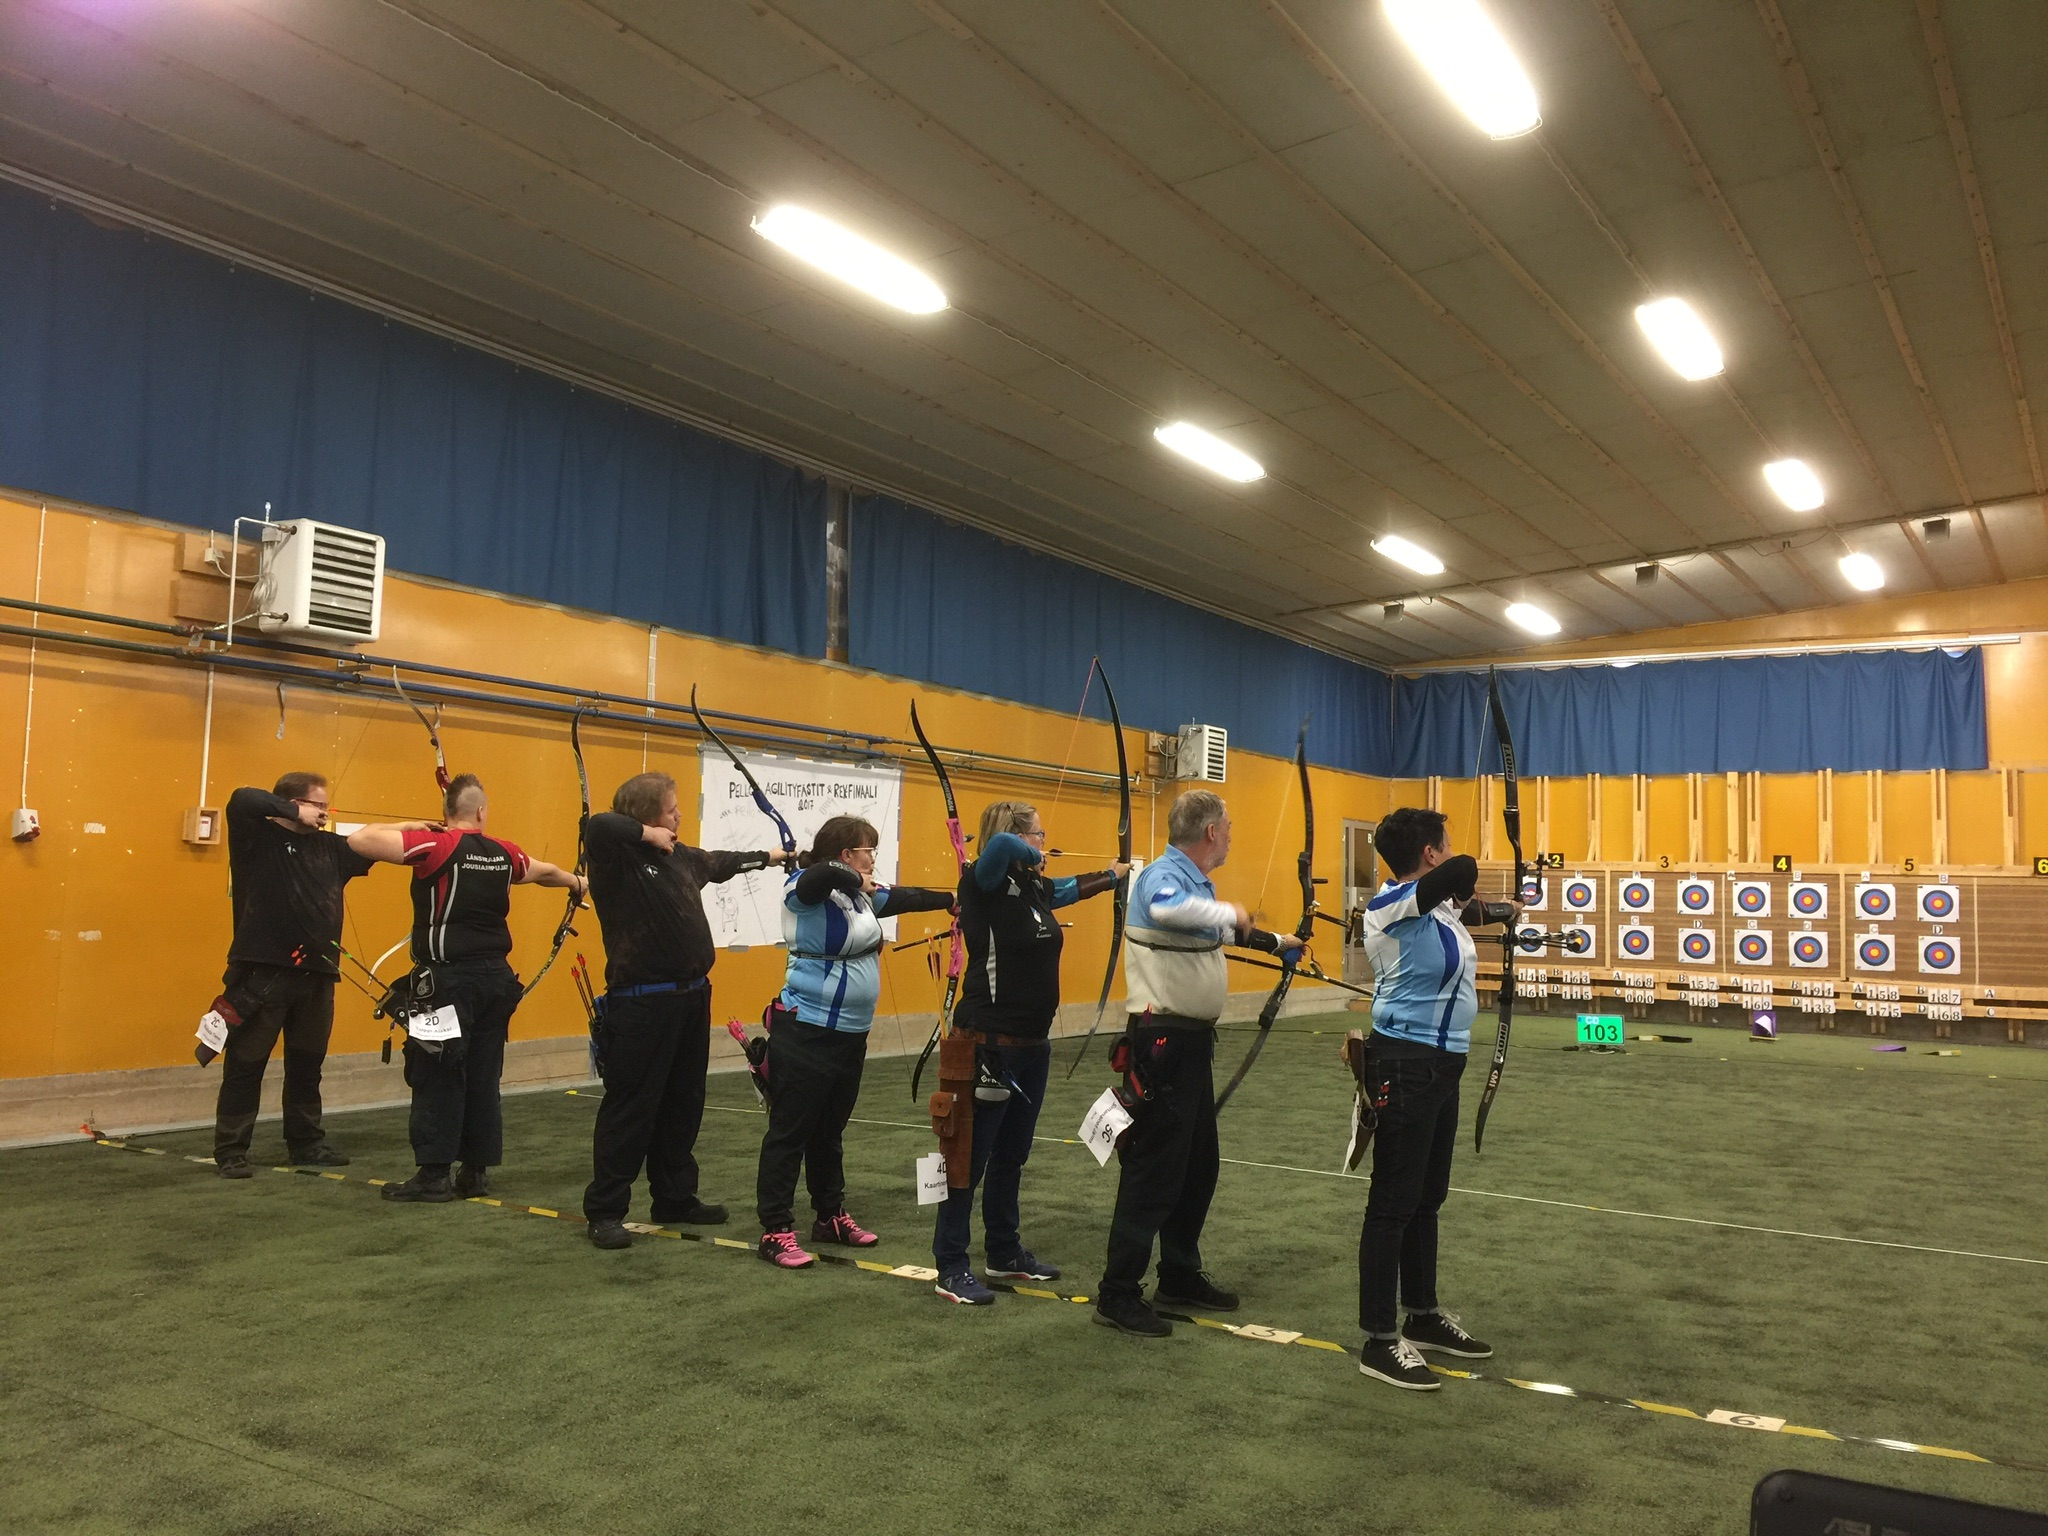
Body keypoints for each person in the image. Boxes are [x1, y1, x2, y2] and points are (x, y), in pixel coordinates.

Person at [1095, 789, 1302, 1338]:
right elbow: (1171, 911)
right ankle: (1118, 1292)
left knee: (1197, 1165)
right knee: (1154, 1169)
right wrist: (1231, 911)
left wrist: (1274, 942)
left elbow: (1207, 929)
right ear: (1210, 832)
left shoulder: (1193, 883)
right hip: (1161, 1045)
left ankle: (1179, 1274)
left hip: (1187, 1046)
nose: (1231, 835)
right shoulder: (1162, 878)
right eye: (1227, 827)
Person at [346, 773, 585, 1204]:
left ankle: (434, 1175)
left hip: (445, 984)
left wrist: (409, 826)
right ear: (480, 811)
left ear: (447, 813)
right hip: (496, 983)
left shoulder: (436, 846)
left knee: (436, 1071)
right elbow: (546, 872)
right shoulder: (504, 853)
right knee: (482, 1074)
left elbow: (359, 840)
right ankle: (475, 1172)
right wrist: (577, 883)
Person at [580, 772, 795, 1250]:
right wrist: (647, 835)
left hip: (692, 998)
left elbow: (720, 862)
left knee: (683, 1102)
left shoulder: (679, 857)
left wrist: (773, 857)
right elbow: (599, 824)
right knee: (631, 1107)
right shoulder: (616, 858)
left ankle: (674, 1197)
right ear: (647, 816)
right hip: (641, 1003)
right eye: (671, 809)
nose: (678, 816)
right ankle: (606, 1210)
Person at [930, 800, 1127, 1304]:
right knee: (966, 1158)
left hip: (1031, 1046)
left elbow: (1068, 889)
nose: (1044, 843)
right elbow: (999, 846)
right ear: (1017, 836)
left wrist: (1111, 876)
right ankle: (950, 1264)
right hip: (987, 1043)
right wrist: (1028, 849)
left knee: (1011, 1155)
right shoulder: (982, 881)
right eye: (1038, 835)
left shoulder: (1032, 888)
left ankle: (1004, 1251)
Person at [1353, 806, 1520, 1390]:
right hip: (1405, 1062)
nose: (1452, 850)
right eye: (1443, 843)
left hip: (1441, 1067)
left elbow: (1466, 905)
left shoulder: (1435, 906)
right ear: (1429, 854)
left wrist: (1507, 910)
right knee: (1393, 1203)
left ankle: (1421, 1315)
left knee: (1427, 1197)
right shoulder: (1390, 906)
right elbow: (1463, 872)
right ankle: (1378, 1339)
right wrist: (1465, 881)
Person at [755, 815, 955, 1268]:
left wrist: (951, 900)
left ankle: (830, 1215)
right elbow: (821, 873)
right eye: (868, 851)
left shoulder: (857, 897)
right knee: (790, 1130)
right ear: (847, 855)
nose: (872, 860)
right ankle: (776, 1229)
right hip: (806, 1030)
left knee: (829, 1129)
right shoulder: (803, 889)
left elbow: (904, 897)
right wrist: (853, 877)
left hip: (849, 1034)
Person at [210, 774, 379, 1178]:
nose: (324, 812)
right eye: (316, 805)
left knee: (307, 1064)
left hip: (317, 977)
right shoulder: (256, 838)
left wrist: (423, 830)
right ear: (293, 803)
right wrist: (292, 811)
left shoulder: (331, 848)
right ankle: (232, 1150)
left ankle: (306, 1143)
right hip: (261, 975)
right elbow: (242, 797)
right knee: (246, 1064)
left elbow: (377, 841)